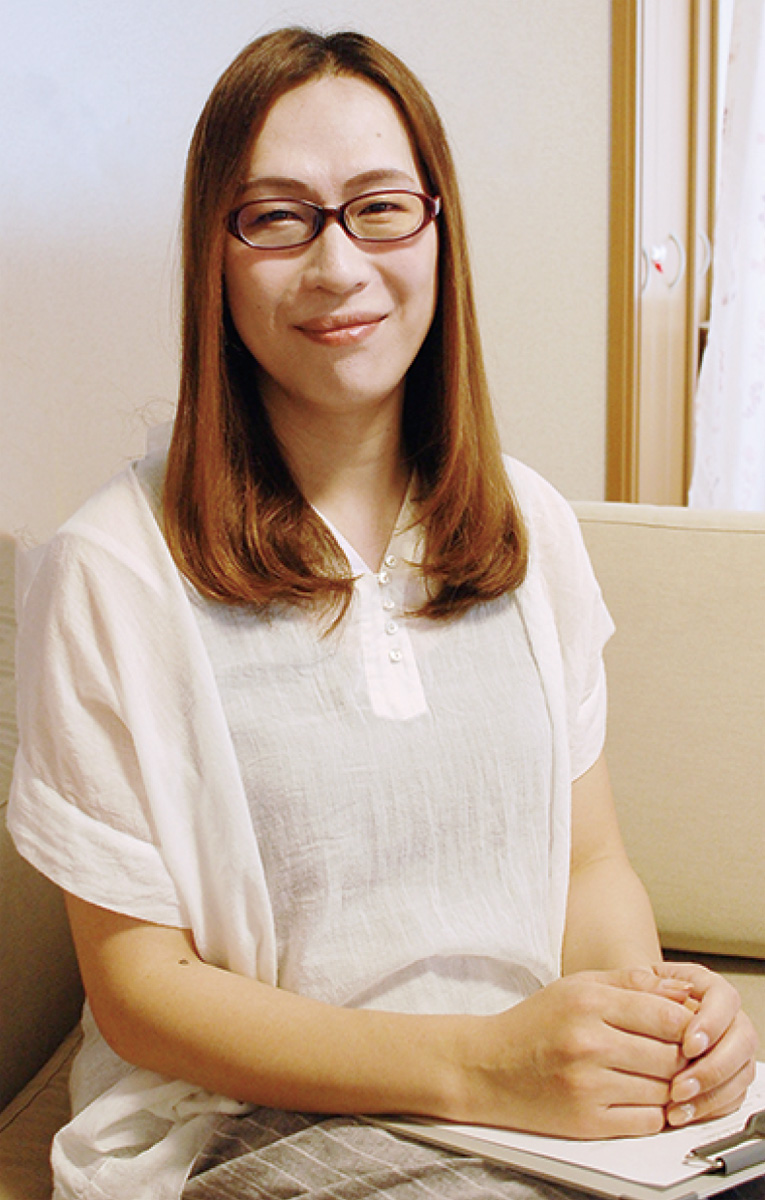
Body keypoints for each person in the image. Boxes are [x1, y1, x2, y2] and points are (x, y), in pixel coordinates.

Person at [8, 27, 758, 1200]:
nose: (338, 265)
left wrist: (656, 1031)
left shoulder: (531, 526)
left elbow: (590, 867)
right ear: (215, 256)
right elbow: (140, 989)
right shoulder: (112, 568)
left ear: (438, 231)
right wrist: (481, 1067)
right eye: (277, 218)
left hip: (529, 1118)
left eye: (380, 209)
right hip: (251, 1125)